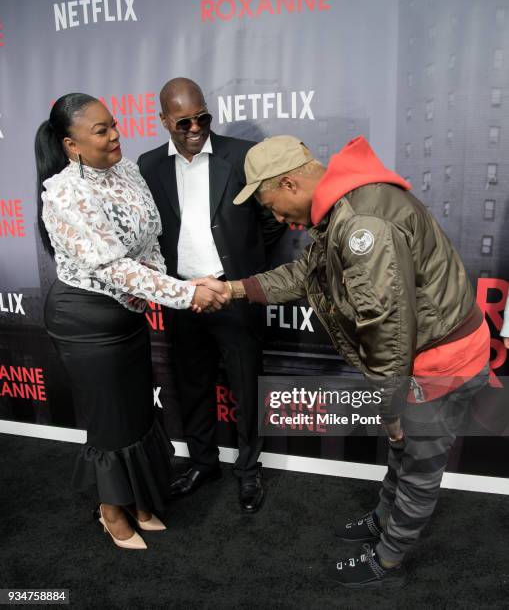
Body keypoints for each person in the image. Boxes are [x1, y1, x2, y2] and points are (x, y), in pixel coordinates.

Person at [199, 134, 491, 587]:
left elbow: (387, 325)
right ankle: (381, 520)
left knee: (416, 463)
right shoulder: (342, 204)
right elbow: (306, 273)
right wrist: (236, 289)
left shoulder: (363, 225)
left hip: (441, 363)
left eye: (272, 205)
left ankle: (389, 560)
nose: (277, 218)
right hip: (419, 357)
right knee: (402, 449)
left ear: (291, 183)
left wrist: (391, 406)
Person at [35, 93, 225, 550]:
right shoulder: (65, 194)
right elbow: (115, 267)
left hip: (128, 316)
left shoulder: (128, 171)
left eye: (114, 125)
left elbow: (148, 248)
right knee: (110, 423)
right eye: (101, 131)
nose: (116, 135)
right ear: (71, 144)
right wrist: (186, 293)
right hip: (85, 321)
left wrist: (181, 281)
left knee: (138, 413)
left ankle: (139, 499)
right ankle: (110, 510)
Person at [137, 78, 284, 513]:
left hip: (235, 292)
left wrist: (242, 265)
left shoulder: (239, 155)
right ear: (164, 120)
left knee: (246, 386)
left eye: (202, 117)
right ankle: (203, 463)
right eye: (183, 121)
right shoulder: (148, 166)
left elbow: (271, 218)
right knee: (191, 384)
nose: (195, 127)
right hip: (183, 297)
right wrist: (182, 287)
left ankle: (249, 470)